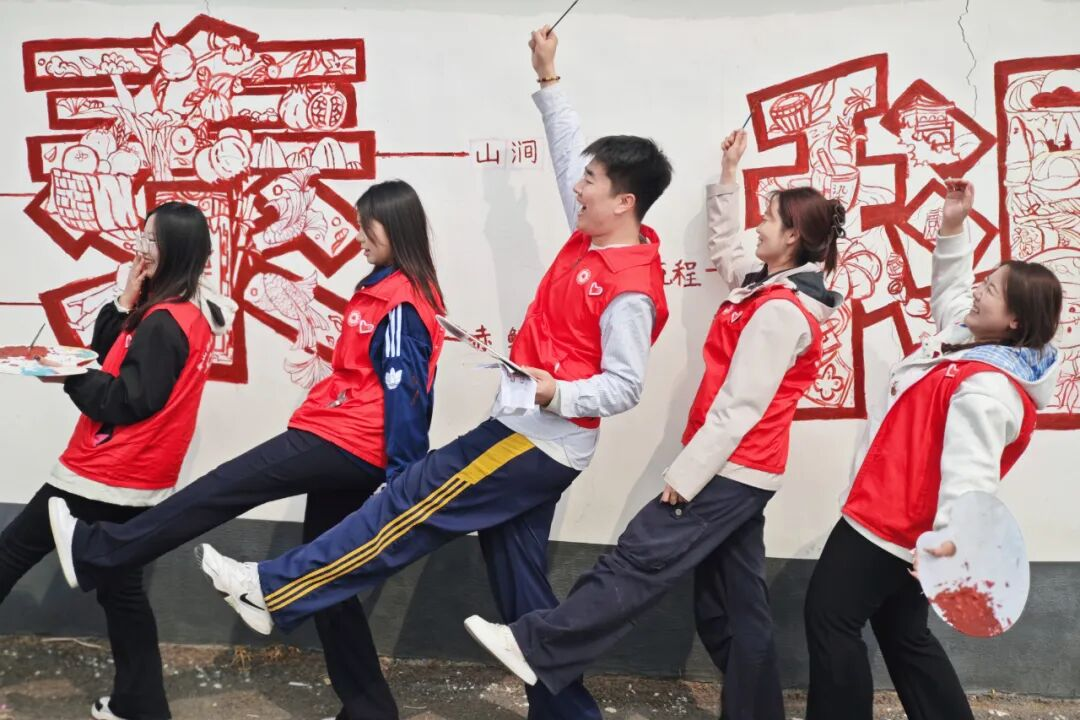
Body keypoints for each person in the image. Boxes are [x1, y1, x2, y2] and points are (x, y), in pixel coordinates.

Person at [193, 25, 673, 720]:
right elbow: (566, 148)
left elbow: (625, 386)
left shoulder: (630, 288)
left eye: (592, 182)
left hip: (538, 436)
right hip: (531, 429)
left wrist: (553, 389)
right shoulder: (590, 234)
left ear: (623, 200)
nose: (578, 185)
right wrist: (548, 78)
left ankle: (276, 590)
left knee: (408, 502)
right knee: (523, 595)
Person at [465, 129, 844, 720]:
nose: (758, 226)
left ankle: (539, 646)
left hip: (730, 468)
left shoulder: (780, 311)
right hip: (744, 469)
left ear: (792, 237)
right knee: (734, 610)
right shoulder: (764, 284)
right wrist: (729, 174)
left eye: (769, 218)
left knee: (638, 559)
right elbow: (726, 247)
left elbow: (739, 407)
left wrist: (686, 476)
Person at [50, 180, 446, 720]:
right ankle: (369, 710)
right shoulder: (384, 288)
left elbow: (408, 394)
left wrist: (402, 478)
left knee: (222, 489)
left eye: (366, 226)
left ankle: (99, 552)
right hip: (344, 435)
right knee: (327, 578)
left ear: (395, 226)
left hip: (348, 441)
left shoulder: (399, 302)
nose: (358, 236)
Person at [802, 178, 1062, 720]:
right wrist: (953, 226)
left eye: (992, 290)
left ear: (1014, 318)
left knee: (830, 617)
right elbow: (950, 294)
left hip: (893, 525)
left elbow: (970, 475)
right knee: (903, 634)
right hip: (896, 519)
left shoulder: (987, 385)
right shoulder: (971, 345)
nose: (978, 292)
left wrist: (947, 545)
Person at [0, 201, 235, 720]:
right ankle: (141, 703)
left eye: (149, 240)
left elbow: (126, 400)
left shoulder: (165, 323)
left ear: (172, 249)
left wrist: (67, 375)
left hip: (103, 471)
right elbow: (109, 356)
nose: (139, 246)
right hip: (137, 475)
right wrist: (126, 297)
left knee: (9, 554)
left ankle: (141, 702)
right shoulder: (186, 311)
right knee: (122, 592)